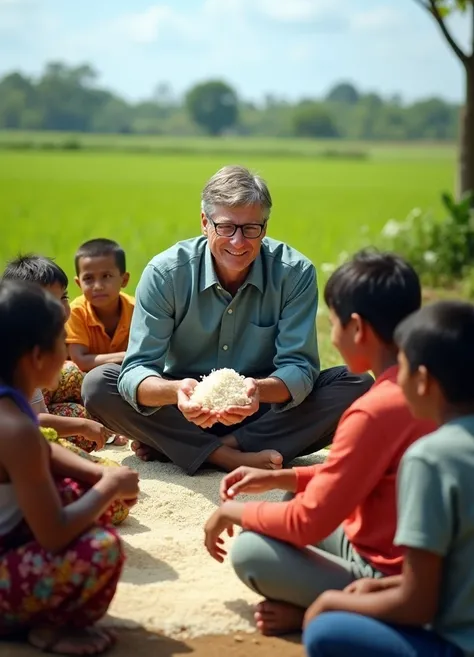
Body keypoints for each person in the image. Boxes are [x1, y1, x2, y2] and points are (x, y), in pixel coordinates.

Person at [203, 249, 436, 635]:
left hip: (395, 577)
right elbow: (355, 472)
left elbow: (308, 524)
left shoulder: (372, 412)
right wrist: (285, 478)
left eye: (333, 323)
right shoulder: (428, 387)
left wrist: (233, 513)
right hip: (420, 553)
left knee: (251, 549)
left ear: (357, 328)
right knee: (295, 495)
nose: (333, 334)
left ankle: (349, 608)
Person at [82, 166, 373, 476]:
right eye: (226, 227)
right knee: (98, 385)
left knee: (358, 384)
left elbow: (299, 370)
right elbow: (137, 369)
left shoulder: (295, 273)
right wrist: (178, 391)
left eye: (251, 229)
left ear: (265, 226)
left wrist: (256, 391)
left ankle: (197, 447)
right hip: (183, 407)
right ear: (205, 222)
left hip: (263, 408)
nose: (238, 242)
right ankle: (226, 457)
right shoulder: (165, 273)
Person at [302, 300, 474, 657]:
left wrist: (334, 602)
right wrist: (384, 588)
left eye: (404, 368)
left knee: (325, 629)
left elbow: (417, 605)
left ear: (423, 382)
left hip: (458, 642)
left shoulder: (431, 457)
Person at [0, 279, 139, 655]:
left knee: (73, 489)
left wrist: (99, 474)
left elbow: (42, 448)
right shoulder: (13, 429)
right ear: (37, 357)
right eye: (61, 342)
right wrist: (109, 487)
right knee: (102, 547)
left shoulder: (11, 407)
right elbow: (55, 535)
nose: (67, 352)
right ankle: (52, 625)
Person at [2, 254, 109, 453]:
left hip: (33, 405)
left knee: (74, 375)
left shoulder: (34, 339)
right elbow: (28, 421)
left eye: (64, 298)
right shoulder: (19, 355)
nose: (62, 309)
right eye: (50, 302)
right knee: (81, 420)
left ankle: (101, 425)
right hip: (24, 421)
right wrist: (83, 426)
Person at [67, 238, 134, 447]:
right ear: (78, 283)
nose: (97, 286)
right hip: (84, 384)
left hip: (122, 379)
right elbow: (80, 360)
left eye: (106, 276)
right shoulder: (76, 311)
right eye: (88, 279)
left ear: (124, 279)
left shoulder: (136, 309)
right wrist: (125, 356)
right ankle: (108, 428)